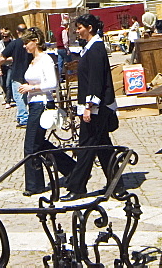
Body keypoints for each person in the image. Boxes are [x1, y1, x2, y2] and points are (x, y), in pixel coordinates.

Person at [63, 14, 119, 201]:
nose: (77, 31)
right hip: (95, 106)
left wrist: (89, 106)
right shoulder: (90, 48)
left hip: (97, 108)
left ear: (89, 28)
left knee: (86, 147)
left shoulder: (96, 49)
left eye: (79, 28)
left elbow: (96, 80)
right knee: (103, 146)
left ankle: (78, 186)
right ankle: (117, 184)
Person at [19, 28, 77, 195]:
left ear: (35, 41)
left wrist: (33, 87)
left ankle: (34, 185)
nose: (25, 47)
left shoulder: (46, 60)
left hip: (42, 104)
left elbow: (53, 83)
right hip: (33, 104)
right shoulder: (33, 60)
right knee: (39, 143)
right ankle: (71, 168)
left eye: (26, 43)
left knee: (30, 145)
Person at [0, 24, 31, 127]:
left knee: (19, 97)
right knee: (25, 97)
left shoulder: (14, 43)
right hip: (29, 73)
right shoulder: (30, 43)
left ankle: (23, 118)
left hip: (17, 72)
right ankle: (20, 116)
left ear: (17, 32)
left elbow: (2, 56)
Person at [0, 28, 15, 107]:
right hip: (2, 65)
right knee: (2, 84)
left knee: (8, 83)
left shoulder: (12, 44)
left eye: (6, 36)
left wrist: (5, 59)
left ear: (9, 36)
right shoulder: (0, 43)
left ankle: (8, 101)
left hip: (10, 65)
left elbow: (14, 57)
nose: (4, 38)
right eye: (3, 36)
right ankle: (7, 97)